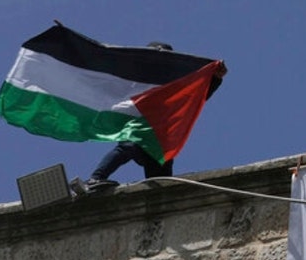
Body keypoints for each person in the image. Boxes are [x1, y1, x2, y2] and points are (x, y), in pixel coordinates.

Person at [85, 42, 227, 188]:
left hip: (159, 138)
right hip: (139, 127)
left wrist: (215, 78)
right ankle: (95, 178)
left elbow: (193, 96)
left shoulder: (173, 84)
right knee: (128, 146)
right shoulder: (137, 77)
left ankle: (163, 199)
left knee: (161, 181)